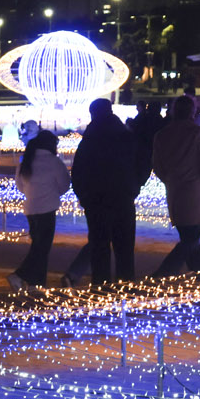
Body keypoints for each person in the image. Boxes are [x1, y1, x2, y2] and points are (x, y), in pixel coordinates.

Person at [68, 99, 140, 285]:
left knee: (99, 247)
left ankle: (101, 286)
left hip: (96, 200)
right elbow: (141, 163)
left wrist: (84, 196)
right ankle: (126, 286)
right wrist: (133, 187)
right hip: (123, 197)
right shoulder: (125, 136)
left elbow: (78, 171)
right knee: (124, 247)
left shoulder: (90, 139)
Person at [150, 95, 200, 278]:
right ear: (192, 112)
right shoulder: (198, 134)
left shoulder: (162, 135)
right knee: (191, 239)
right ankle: (164, 273)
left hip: (175, 190)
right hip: (194, 190)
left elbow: (157, 165)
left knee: (190, 238)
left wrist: (169, 180)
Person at [7, 127, 69, 291]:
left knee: (39, 246)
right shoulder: (54, 162)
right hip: (47, 209)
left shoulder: (27, 161)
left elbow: (20, 186)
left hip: (30, 209)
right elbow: (64, 184)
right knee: (41, 248)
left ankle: (37, 283)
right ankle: (20, 275)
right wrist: (52, 192)